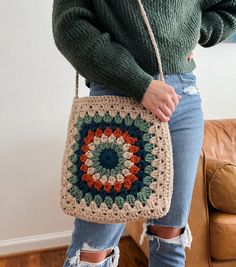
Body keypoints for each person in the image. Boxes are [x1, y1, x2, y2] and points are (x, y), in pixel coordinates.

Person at [52, 0, 236, 266]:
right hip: (115, 99)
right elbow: (70, 27)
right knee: (92, 250)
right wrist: (140, 85)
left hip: (181, 97)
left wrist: (195, 30)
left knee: (170, 233)